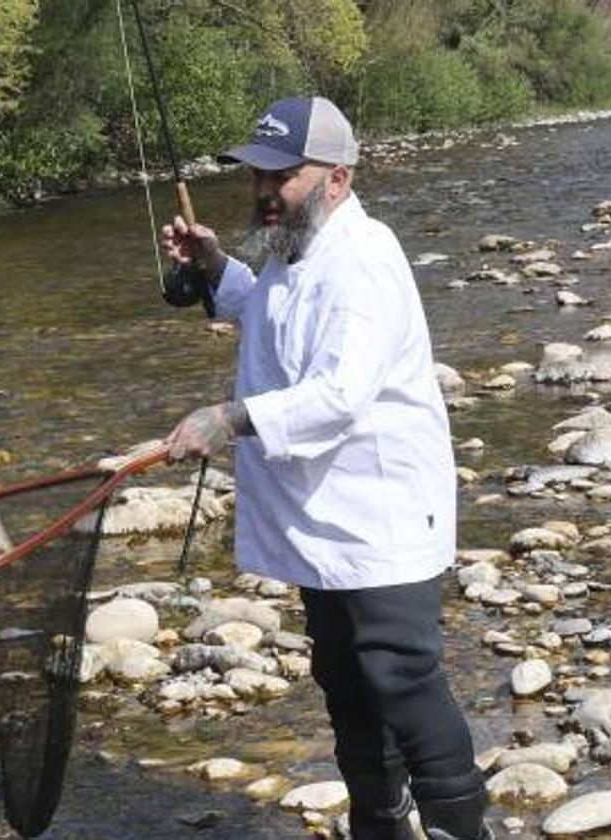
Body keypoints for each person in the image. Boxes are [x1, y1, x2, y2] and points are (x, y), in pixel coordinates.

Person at [161, 96, 491, 840]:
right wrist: (217, 268)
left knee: (400, 676)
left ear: (337, 179)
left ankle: (463, 830)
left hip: (381, 513)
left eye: (282, 175)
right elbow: (275, 313)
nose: (263, 191)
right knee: (344, 683)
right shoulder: (298, 245)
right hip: (319, 518)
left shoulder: (364, 259)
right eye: (256, 175)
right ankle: (381, 823)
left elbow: (340, 393)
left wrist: (230, 419)